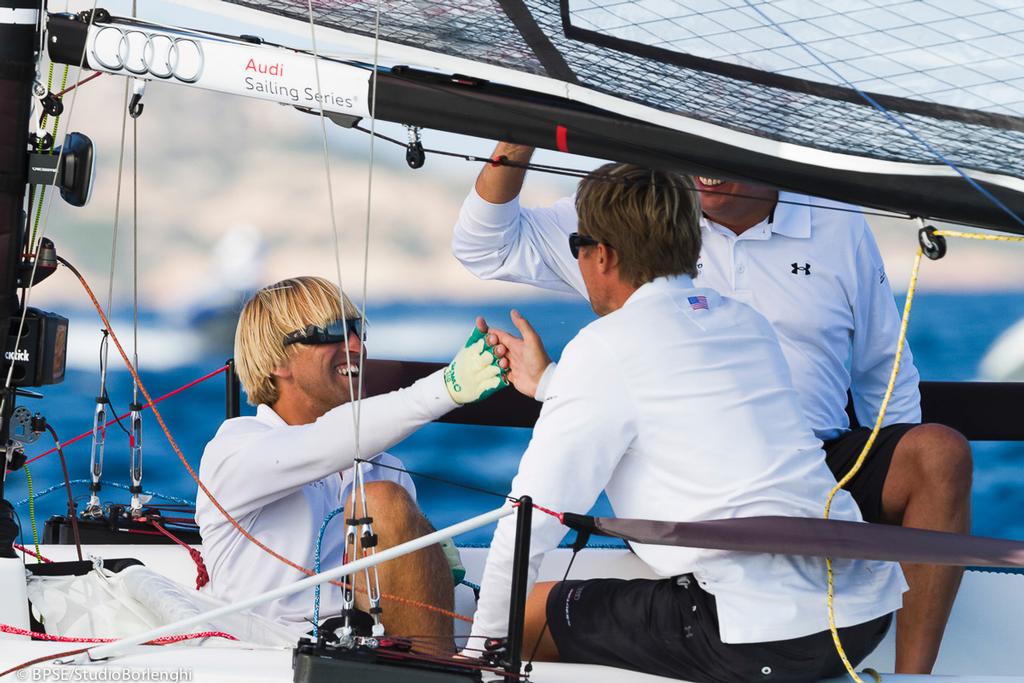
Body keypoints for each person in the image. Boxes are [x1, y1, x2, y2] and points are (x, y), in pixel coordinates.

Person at [452, 142, 972, 674]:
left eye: (578, 245)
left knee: (532, 613)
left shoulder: (602, 347)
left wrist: (483, 650)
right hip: (861, 616)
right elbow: (682, 394)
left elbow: (530, 516)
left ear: (602, 255)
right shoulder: (745, 322)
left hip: (759, 638)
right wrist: (558, 385)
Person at [195, 276, 505, 645]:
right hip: (263, 655)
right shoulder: (235, 450)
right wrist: (447, 388)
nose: (355, 345)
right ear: (278, 360)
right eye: (331, 332)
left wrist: (425, 554)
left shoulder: (383, 466)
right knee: (383, 502)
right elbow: (324, 442)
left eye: (358, 329)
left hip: (364, 646)